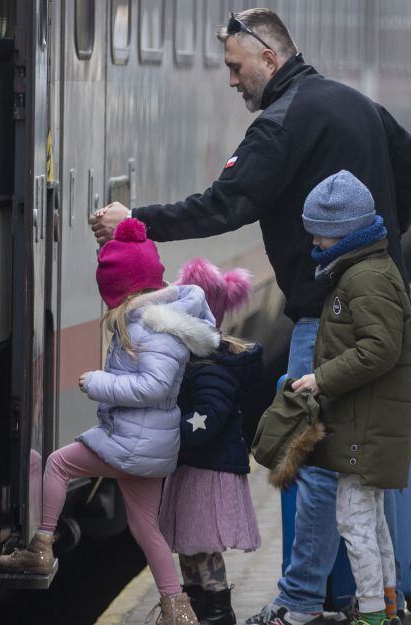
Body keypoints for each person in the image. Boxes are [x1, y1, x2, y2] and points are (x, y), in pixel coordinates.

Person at [89, 9, 411, 625]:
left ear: (269, 57)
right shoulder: (356, 104)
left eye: (234, 66)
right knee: (368, 457)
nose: (231, 80)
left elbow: (226, 204)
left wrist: (135, 223)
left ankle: (301, 601)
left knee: (311, 461)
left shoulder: (279, 122)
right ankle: (371, 595)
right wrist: (378, 248)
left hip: (321, 323)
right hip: (381, 309)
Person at [0, 218, 218, 625]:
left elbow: (152, 386)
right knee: (145, 528)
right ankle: (177, 609)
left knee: (58, 463)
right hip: (151, 445)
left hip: (132, 442)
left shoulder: (151, 327)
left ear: (123, 290)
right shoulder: (158, 317)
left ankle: (40, 546)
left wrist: (99, 382)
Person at [293, 171, 411, 625]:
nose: (314, 242)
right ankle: (385, 602)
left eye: (320, 234)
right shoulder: (361, 270)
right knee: (371, 517)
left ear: (343, 231)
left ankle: (370, 615)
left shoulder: (365, 279)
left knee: (353, 519)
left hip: (365, 423)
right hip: (368, 418)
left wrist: (320, 379)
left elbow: (379, 348)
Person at [158, 258, 264, 625]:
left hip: (207, 469)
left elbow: (211, 416)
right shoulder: (202, 360)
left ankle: (218, 611)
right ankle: (198, 605)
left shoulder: (211, 366)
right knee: (189, 545)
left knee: (203, 546)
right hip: (194, 466)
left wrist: (175, 435)